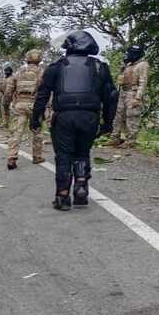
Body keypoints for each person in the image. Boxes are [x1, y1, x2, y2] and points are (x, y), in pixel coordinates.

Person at [31, 30, 118, 211]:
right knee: (82, 153)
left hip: (64, 117)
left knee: (64, 156)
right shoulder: (99, 67)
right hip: (89, 117)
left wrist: (36, 118)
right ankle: (80, 185)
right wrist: (108, 122)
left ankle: (62, 196)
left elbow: (42, 95)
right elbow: (111, 96)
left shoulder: (56, 67)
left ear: (68, 47)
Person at [4, 50, 44, 170]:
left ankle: (11, 157)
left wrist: (7, 104)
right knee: (37, 131)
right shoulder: (42, 72)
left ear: (27, 58)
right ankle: (37, 156)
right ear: (39, 59)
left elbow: (9, 90)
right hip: (34, 105)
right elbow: (45, 91)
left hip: (20, 103)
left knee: (16, 131)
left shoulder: (19, 72)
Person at [107, 45, 149, 148]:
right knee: (118, 115)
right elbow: (121, 79)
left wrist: (138, 97)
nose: (130, 55)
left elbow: (143, 82)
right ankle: (115, 138)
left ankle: (130, 141)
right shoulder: (128, 64)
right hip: (123, 92)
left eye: (132, 53)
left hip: (133, 92)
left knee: (132, 116)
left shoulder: (143, 65)